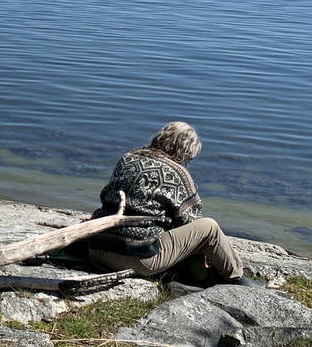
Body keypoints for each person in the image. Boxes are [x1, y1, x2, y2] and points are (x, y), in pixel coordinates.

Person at [86, 121, 263, 288]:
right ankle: (237, 279)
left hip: (95, 247)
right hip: (135, 258)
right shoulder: (177, 173)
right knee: (209, 228)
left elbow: (106, 195)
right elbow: (191, 221)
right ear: (186, 152)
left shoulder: (128, 158)